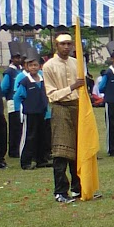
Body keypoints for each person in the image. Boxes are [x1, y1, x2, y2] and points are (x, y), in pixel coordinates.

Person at [42, 32, 85, 204]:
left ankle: (78, 187)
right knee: (61, 152)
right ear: (56, 45)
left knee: (79, 149)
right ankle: (60, 191)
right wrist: (72, 87)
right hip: (60, 108)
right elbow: (51, 95)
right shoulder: (49, 66)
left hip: (77, 107)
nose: (66, 47)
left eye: (69, 44)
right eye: (63, 44)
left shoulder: (77, 63)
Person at [14, 55, 50, 170]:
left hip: (42, 112)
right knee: (29, 137)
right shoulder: (25, 82)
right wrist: (18, 111)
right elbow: (17, 97)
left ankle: (41, 160)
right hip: (30, 113)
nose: (33, 68)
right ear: (26, 67)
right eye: (30, 65)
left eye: (35, 65)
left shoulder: (43, 80)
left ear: (40, 66)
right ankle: (26, 161)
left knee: (42, 136)